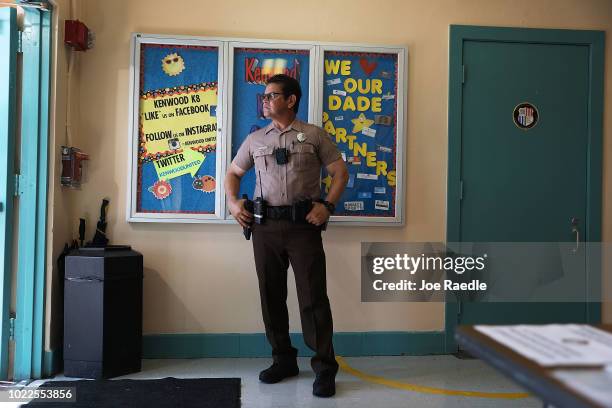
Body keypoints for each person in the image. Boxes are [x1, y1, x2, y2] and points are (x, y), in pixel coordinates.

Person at [224, 74, 349, 397]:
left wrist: (328, 206)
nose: (265, 101)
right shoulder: (255, 140)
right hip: (264, 228)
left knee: (313, 298)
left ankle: (324, 368)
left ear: (291, 100)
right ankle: (283, 360)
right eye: (264, 96)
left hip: (302, 228)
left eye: (271, 96)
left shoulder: (313, 136)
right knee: (271, 296)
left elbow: (339, 172)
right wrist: (232, 202)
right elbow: (233, 173)